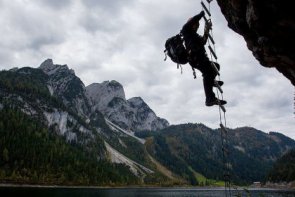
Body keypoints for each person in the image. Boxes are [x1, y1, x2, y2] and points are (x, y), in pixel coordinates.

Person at [181, 11, 227, 106]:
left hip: (199, 58)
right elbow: (193, 20)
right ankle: (209, 98)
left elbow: (203, 41)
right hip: (195, 58)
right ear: (192, 24)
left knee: (215, 67)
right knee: (208, 73)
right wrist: (201, 15)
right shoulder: (186, 31)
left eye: (197, 26)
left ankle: (211, 83)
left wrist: (206, 30)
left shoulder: (194, 35)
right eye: (196, 25)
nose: (196, 27)